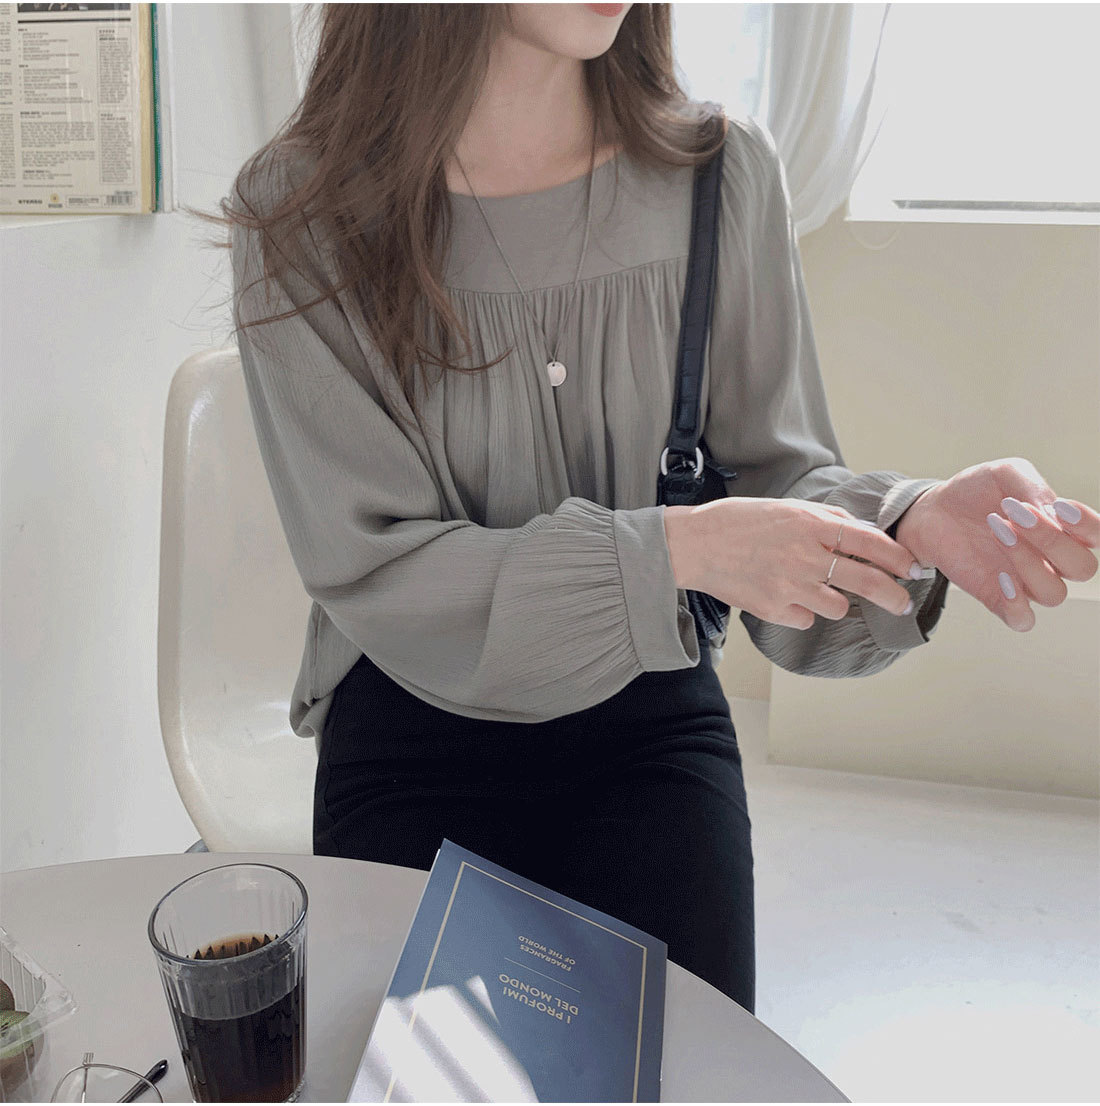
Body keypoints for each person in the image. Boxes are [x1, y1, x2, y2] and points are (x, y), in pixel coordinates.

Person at [218, 4, 1098, 1014]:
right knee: (442, 1074)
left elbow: (774, 482)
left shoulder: (718, 175)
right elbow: (378, 568)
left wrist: (905, 520)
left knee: (689, 1060)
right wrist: (670, 552)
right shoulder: (302, 212)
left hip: (647, 720)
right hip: (413, 726)